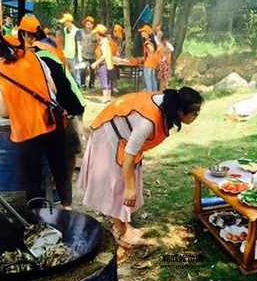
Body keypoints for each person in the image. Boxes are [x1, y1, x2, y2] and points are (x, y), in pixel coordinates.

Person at [78, 87, 203, 247]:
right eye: (194, 113)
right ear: (179, 111)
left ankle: (124, 224)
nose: (196, 116)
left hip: (124, 134)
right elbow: (129, 157)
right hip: (109, 133)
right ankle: (120, 232)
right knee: (118, 184)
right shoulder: (148, 122)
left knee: (125, 181)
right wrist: (130, 189)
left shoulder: (167, 104)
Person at [0, 23, 71, 210]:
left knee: (33, 178)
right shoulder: (32, 56)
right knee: (60, 170)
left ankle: (37, 218)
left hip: (27, 131)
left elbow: (5, 112)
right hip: (53, 122)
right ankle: (67, 209)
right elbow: (53, 88)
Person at [17, 14, 86, 211]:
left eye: (32, 35)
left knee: (65, 158)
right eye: (27, 36)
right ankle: (64, 200)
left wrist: (69, 111)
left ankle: (64, 202)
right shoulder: (41, 52)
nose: (29, 39)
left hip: (66, 109)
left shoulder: (41, 57)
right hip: (63, 109)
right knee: (62, 160)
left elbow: (58, 89)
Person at [92, 24, 115, 102]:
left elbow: (104, 55)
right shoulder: (105, 41)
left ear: (99, 34)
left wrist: (95, 63)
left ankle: (105, 98)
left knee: (104, 80)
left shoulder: (104, 42)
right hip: (108, 64)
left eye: (96, 34)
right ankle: (108, 97)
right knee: (108, 81)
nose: (95, 35)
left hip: (104, 64)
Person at [58, 13, 82, 78]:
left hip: (74, 56)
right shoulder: (64, 30)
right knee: (66, 74)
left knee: (75, 74)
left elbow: (79, 45)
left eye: (65, 22)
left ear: (69, 21)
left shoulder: (77, 31)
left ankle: (77, 87)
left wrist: (80, 58)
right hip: (66, 55)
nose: (64, 24)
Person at [138, 24, 159, 91]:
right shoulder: (152, 41)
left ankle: (149, 94)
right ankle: (154, 93)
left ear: (147, 33)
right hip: (153, 62)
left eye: (143, 32)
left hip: (149, 63)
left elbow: (152, 50)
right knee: (153, 79)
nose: (142, 33)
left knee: (148, 80)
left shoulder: (148, 42)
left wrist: (150, 54)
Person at [80, 16, 96, 89]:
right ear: (85, 25)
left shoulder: (95, 33)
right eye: (87, 24)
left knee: (92, 70)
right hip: (83, 54)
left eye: (90, 24)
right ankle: (83, 84)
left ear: (92, 25)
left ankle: (92, 84)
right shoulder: (81, 32)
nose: (88, 26)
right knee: (83, 69)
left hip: (93, 55)